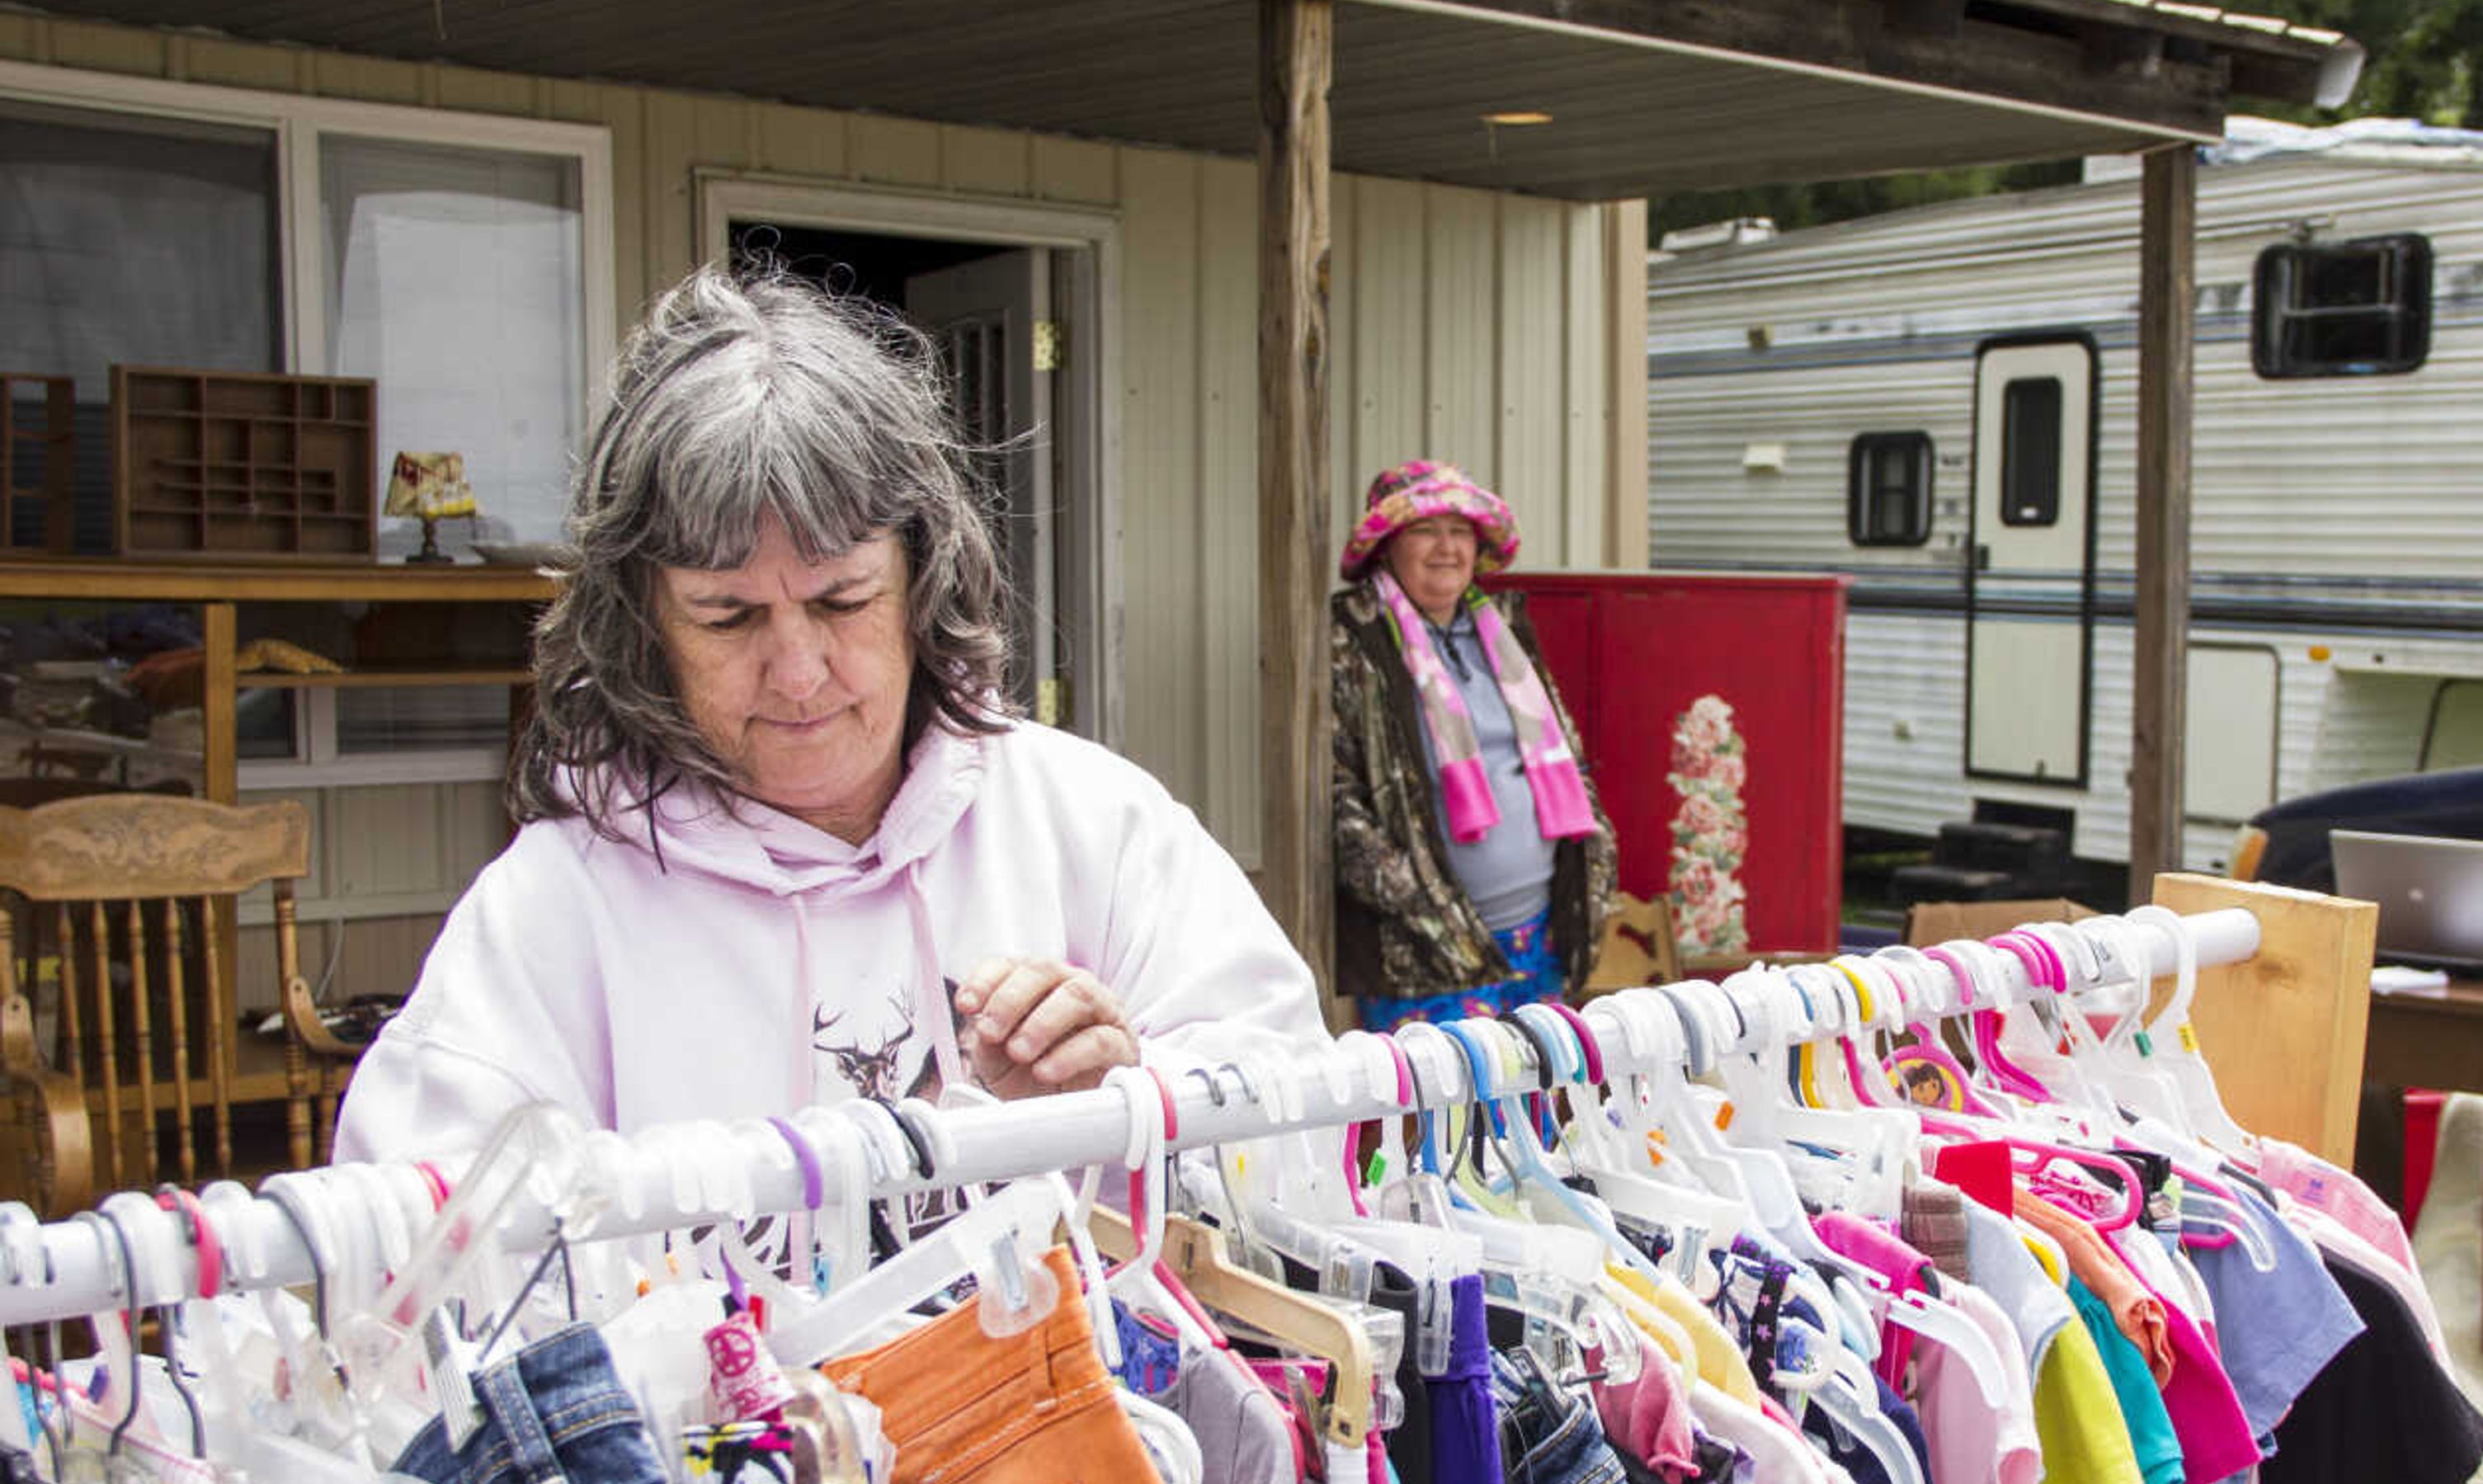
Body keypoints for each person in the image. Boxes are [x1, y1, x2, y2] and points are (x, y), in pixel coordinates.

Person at [337, 266, 1325, 1165]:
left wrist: (1123, 1106)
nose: (799, 673)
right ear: (642, 624)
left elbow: (1301, 1135)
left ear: (924, 579)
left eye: (843, 600)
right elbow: (420, 1258)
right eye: (729, 616)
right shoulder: (557, 911)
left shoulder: (1089, 822)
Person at [1329, 459, 1616, 1029]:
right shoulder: (1350, 640)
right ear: (1387, 546)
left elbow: (1568, 756)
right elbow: (1337, 801)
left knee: (1536, 1106)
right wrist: (1431, 912)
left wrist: (1595, 864)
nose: (1446, 547)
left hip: (1541, 937)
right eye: (1424, 530)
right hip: (1428, 952)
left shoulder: (1501, 629)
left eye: (1460, 531)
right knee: (1448, 1114)